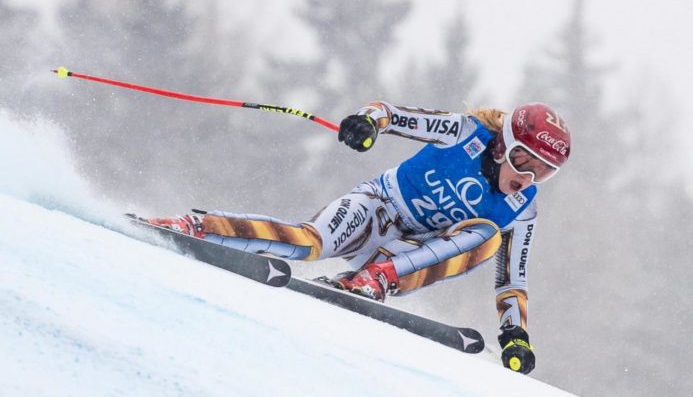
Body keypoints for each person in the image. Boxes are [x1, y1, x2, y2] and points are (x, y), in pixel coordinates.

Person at [148, 101, 571, 374]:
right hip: (378, 209)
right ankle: (196, 226)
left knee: (487, 236)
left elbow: (512, 279)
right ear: (503, 145)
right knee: (307, 242)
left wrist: (515, 335)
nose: (528, 177)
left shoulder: (524, 207)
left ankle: (375, 279)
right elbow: (392, 114)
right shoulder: (464, 133)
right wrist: (367, 122)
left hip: (410, 253)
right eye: (523, 160)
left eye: (544, 171)